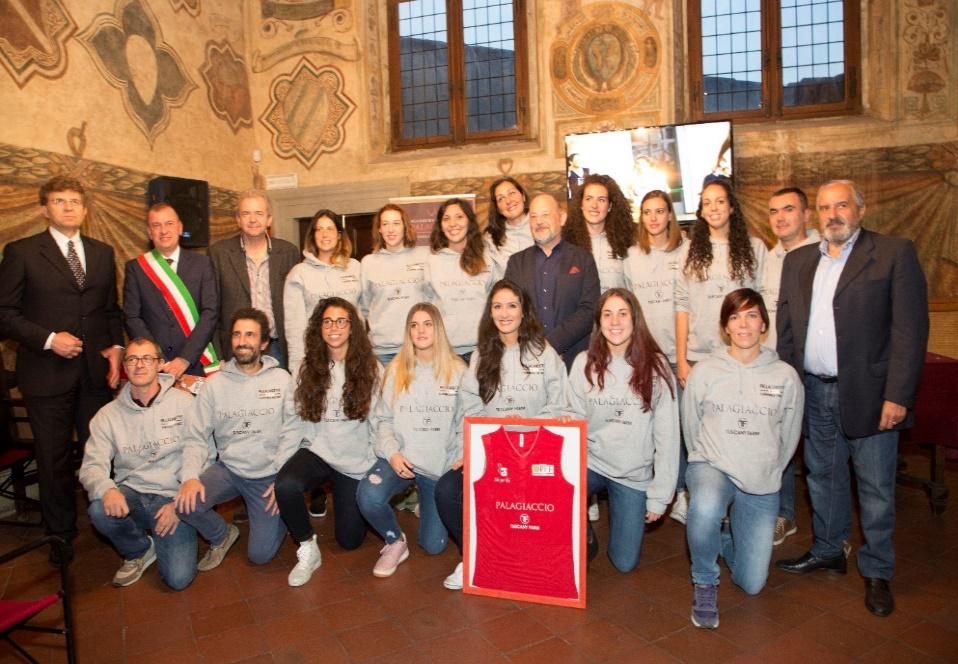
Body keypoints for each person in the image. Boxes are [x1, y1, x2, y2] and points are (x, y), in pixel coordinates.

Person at [775, 180, 928, 618]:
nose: (833, 214)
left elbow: (910, 332)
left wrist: (898, 395)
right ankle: (828, 549)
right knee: (822, 475)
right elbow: (787, 329)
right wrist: (790, 387)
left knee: (875, 486)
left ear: (861, 209)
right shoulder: (799, 260)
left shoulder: (894, 253)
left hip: (872, 395)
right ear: (816, 215)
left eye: (841, 205)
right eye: (825, 207)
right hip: (813, 389)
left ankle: (877, 570)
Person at [0, 176, 123, 561]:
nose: (68, 207)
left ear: (85, 210)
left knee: (99, 452)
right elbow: (5, 314)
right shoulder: (22, 252)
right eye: (59, 201)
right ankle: (60, 536)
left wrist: (117, 350)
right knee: (53, 459)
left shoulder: (102, 253)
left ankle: (108, 523)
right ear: (44, 209)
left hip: (94, 375)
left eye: (75, 201)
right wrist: (50, 339)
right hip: (45, 374)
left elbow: (110, 311)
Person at [435, 279, 569, 590]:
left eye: (511, 305)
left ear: (524, 311)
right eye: (497, 306)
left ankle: (519, 554)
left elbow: (559, 405)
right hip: (493, 448)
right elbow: (469, 406)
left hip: (534, 451)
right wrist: (478, 441)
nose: (504, 313)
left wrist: (526, 423)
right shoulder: (481, 355)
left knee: (581, 549)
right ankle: (474, 555)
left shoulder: (544, 352)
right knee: (446, 490)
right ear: (490, 312)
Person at [683, 289, 803, 629]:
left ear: (763, 324)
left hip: (760, 478)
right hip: (712, 465)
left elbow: (789, 436)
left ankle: (723, 538)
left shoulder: (785, 376)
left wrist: (768, 467)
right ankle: (705, 582)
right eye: (735, 317)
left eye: (752, 316)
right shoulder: (705, 371)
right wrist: (702, 460)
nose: (743, 324)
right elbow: (691, 427)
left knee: (752, 584)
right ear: (725, 327)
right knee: (705, 505)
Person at [672, 178, 767, 523]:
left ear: (731, 207)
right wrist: (682, 360)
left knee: (735, 431)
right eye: (707, 202)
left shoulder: (755, 248)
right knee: (698, 435)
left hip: (740, 361)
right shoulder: (688, 251)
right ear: (700, 210)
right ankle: (699, 498)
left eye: (720, 201)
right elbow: (681, 306)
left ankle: (736, 503)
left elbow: (762, 305)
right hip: (699, 359)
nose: (713, 208)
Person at [565, 288, 679, 572]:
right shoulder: (584, 363)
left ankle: (621, 514)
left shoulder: (657, 367)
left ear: (635, 319)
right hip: (591, 463)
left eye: (622, 313)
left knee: (624, 563)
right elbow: (573, 418)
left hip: (632, 473)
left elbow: (668, 438)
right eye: (607, 314)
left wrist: (660, 496)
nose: (614, 321)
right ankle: (583, 534)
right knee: (556, 488)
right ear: (599, 322)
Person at [175, 309, 295, 571]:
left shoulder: (282, 380)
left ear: (264, 343)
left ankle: (283, 516)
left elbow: (293, 432)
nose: (242, 341)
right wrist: (190, 477)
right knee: (185, 505)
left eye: (250, 335)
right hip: (229, 470)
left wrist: (283, 480)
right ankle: (222, 534)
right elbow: (195, 436)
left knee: (260, 556)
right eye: (237, 334)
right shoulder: (214, 385)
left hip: (268, 476)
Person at [274, 297, 381, 587]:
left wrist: (372, 464)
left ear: (352, 327)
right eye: (328, 321)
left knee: (349, 540)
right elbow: (293, 422)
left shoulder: (372, 369)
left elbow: (380, 422)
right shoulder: (306, 369)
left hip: (354, 460)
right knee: (285, 484)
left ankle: (341, 497)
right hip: (318, 452)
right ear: (319, 328)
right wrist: (280, 468)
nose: (334, 327)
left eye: (341, 321)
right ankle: (307, 545)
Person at [356, 303, 466, 577]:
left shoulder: (459, 371)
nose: (421, 330)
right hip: (401, 461)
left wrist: (461, 454)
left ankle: (425, 502)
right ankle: (395, 541)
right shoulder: (396, 369)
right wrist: (392, 453)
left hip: (437, 468)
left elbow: (466, 422)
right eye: (414, 325)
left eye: (427, 324)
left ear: (438, 328)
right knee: (367, 495)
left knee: (433, 545)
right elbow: (382, 420)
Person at [80, 338, 197, 589]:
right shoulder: (107, 416)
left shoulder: (185, 403)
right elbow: (91, 466)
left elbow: (202, 455)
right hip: (132, 496)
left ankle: (168, 534)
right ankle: (138, 549)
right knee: (99, 508)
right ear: (124, 367)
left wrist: (180, 505)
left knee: (178, 579)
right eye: (132, 359)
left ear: (160, 364)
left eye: (147, 359)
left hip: (172, 497)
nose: (139, 365)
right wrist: (107, 489)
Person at [761, 187, 820, 546]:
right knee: (776, 444)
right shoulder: (767, 258)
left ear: (806, 215)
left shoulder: (822, 255)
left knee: (818, 452)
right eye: (773, 211)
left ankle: (830, 533)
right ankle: (784, 515)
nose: (780, 218)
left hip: (809, 369)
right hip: (771, 368)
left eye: (788, 209)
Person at [504, 193, 600, 370]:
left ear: (562, 218)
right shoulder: (516, 263)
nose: (539, 221)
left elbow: (589, 309)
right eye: (533, 217)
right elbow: (510, 309)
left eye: (545, 214)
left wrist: (553, 343)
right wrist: (534, 347)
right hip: (528, 360)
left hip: (575, 361)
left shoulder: (583, 259)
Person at [123, 203, 219, 379]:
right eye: (156, 225)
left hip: (196, 360)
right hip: (155, 366)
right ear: (149, 232)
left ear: (180, 228)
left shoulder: (202, 264)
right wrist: (157, 358)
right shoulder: (136, 268)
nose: (164, 231)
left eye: (169, 223)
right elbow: (132, 318)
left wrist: (185, 358)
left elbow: (210, 312)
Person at [209, 189, 300, 369]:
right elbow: (212, 309)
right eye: (246, 213)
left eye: (259, 213)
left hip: (277, 347)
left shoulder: (288, 252)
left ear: (269, 219)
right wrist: (218, 355)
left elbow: (297, 307)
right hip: (236, 349)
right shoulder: (219, 253)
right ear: (238, 219)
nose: (252, 219)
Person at [283, 208, 361, 379]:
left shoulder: (355, 268)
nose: (324, 234)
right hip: (316, 358)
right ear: (313, 235)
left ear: (339, 235)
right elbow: (294, 327)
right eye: (319, 229)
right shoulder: (298, 273)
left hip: (353, 356)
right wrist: (297, 368)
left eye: (330, 228)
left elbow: (362, 314)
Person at [424, 198, 497, 360]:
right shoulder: (432, 262)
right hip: (445, 352)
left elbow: (496, 303)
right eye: (446, 219)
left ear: (469, 221)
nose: (453, 223)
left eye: (459, 217)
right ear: (440, 225)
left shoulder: (487, 258)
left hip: (484, 349)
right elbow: (427, 307)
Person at [360, 204, 428, 365]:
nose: (390, 229)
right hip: (382, 352)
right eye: (385, 224)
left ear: (405, 226)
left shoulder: (425, 256)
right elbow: (364, 307)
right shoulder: (368, 263)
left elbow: (433, 301)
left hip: (418, 348)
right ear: (379, 229)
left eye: (396, 223)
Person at [562, 174, 635, 293]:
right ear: (581, 204)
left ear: (610, 206)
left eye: (601, 200)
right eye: (589, 198)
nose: (594, 205)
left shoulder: (625, 241)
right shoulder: (566, 243)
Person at [484, 176, 533, 274]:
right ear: (497, 208)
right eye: (501, 198)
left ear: (523, 196)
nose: (508, 201)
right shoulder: (491, 238)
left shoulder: (541, 225)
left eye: (511, 193)